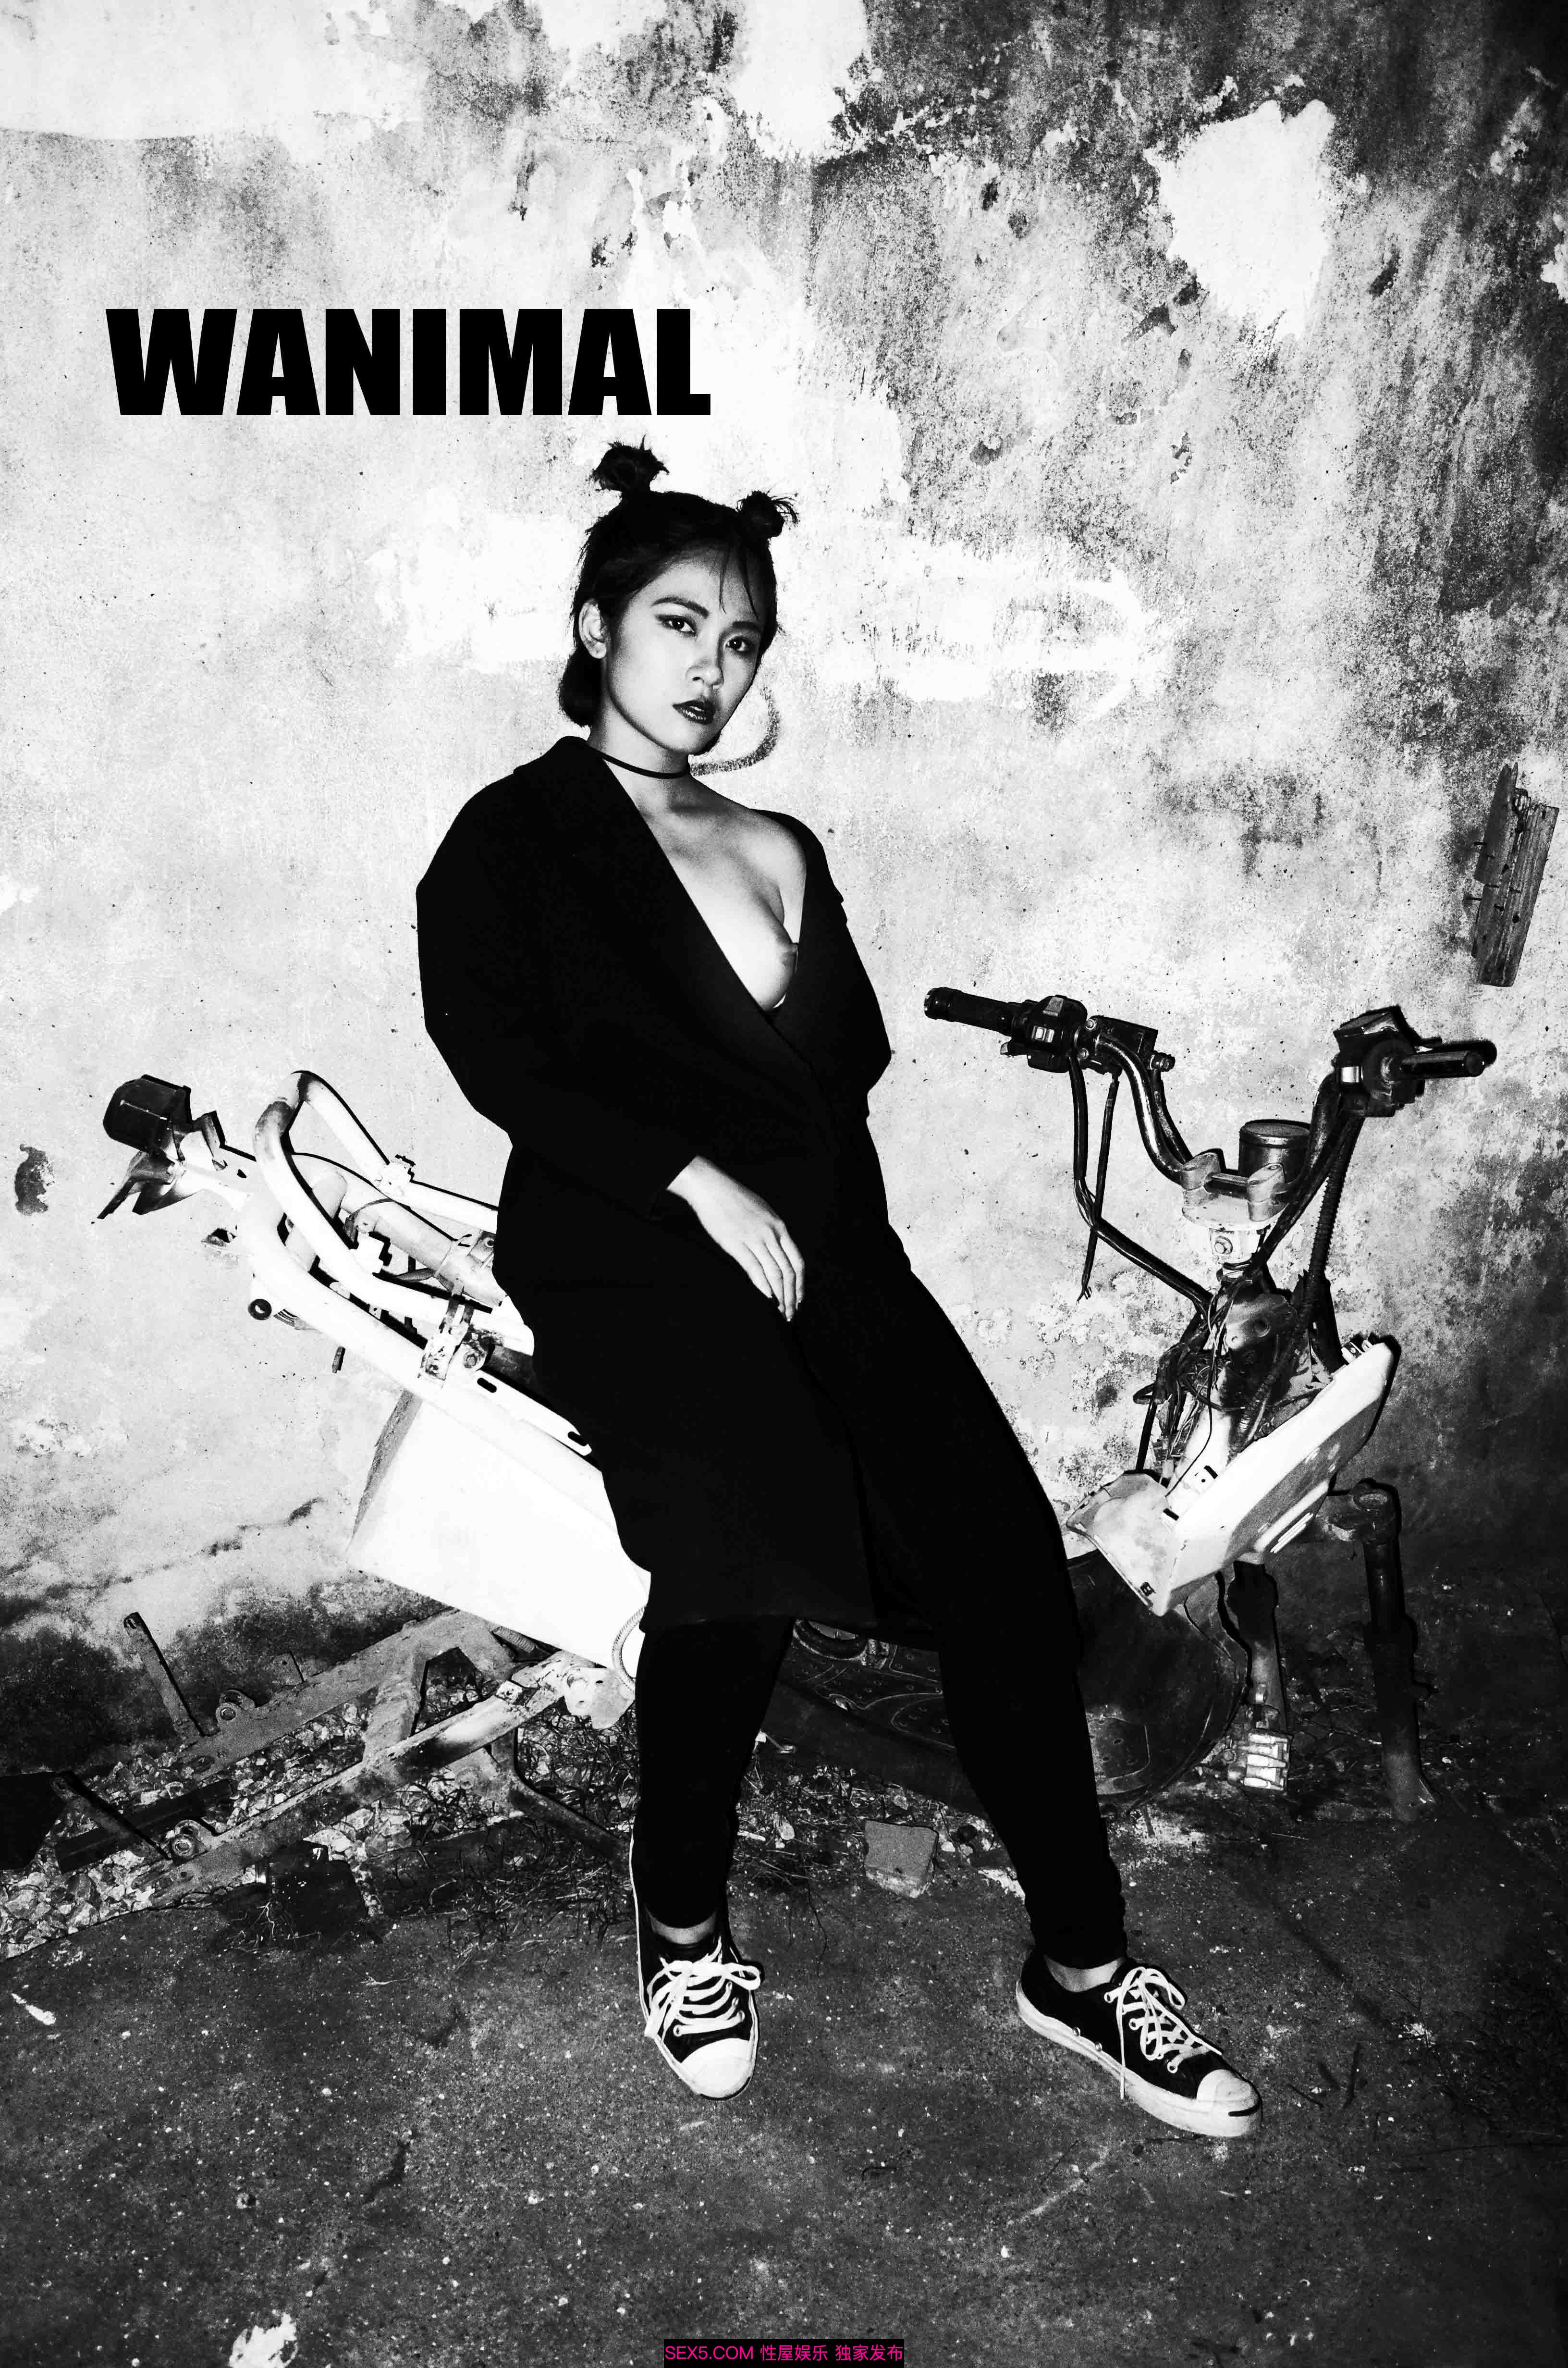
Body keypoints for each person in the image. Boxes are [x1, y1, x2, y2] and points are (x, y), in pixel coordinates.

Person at [416, 442, 1260, 2138]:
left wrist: (852, 1284)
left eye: (742, 641)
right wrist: (691, 1176)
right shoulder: (515, 836)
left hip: (819, 1249)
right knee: (735, 1554)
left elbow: (833, 1091)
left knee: (1004, 1562)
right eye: (679, 624)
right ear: (595, 627)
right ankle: (680, 1930)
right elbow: (494, 1052)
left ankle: (1083, 1971)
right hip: (624, 1241)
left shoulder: (779, 842)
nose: (713, 669)